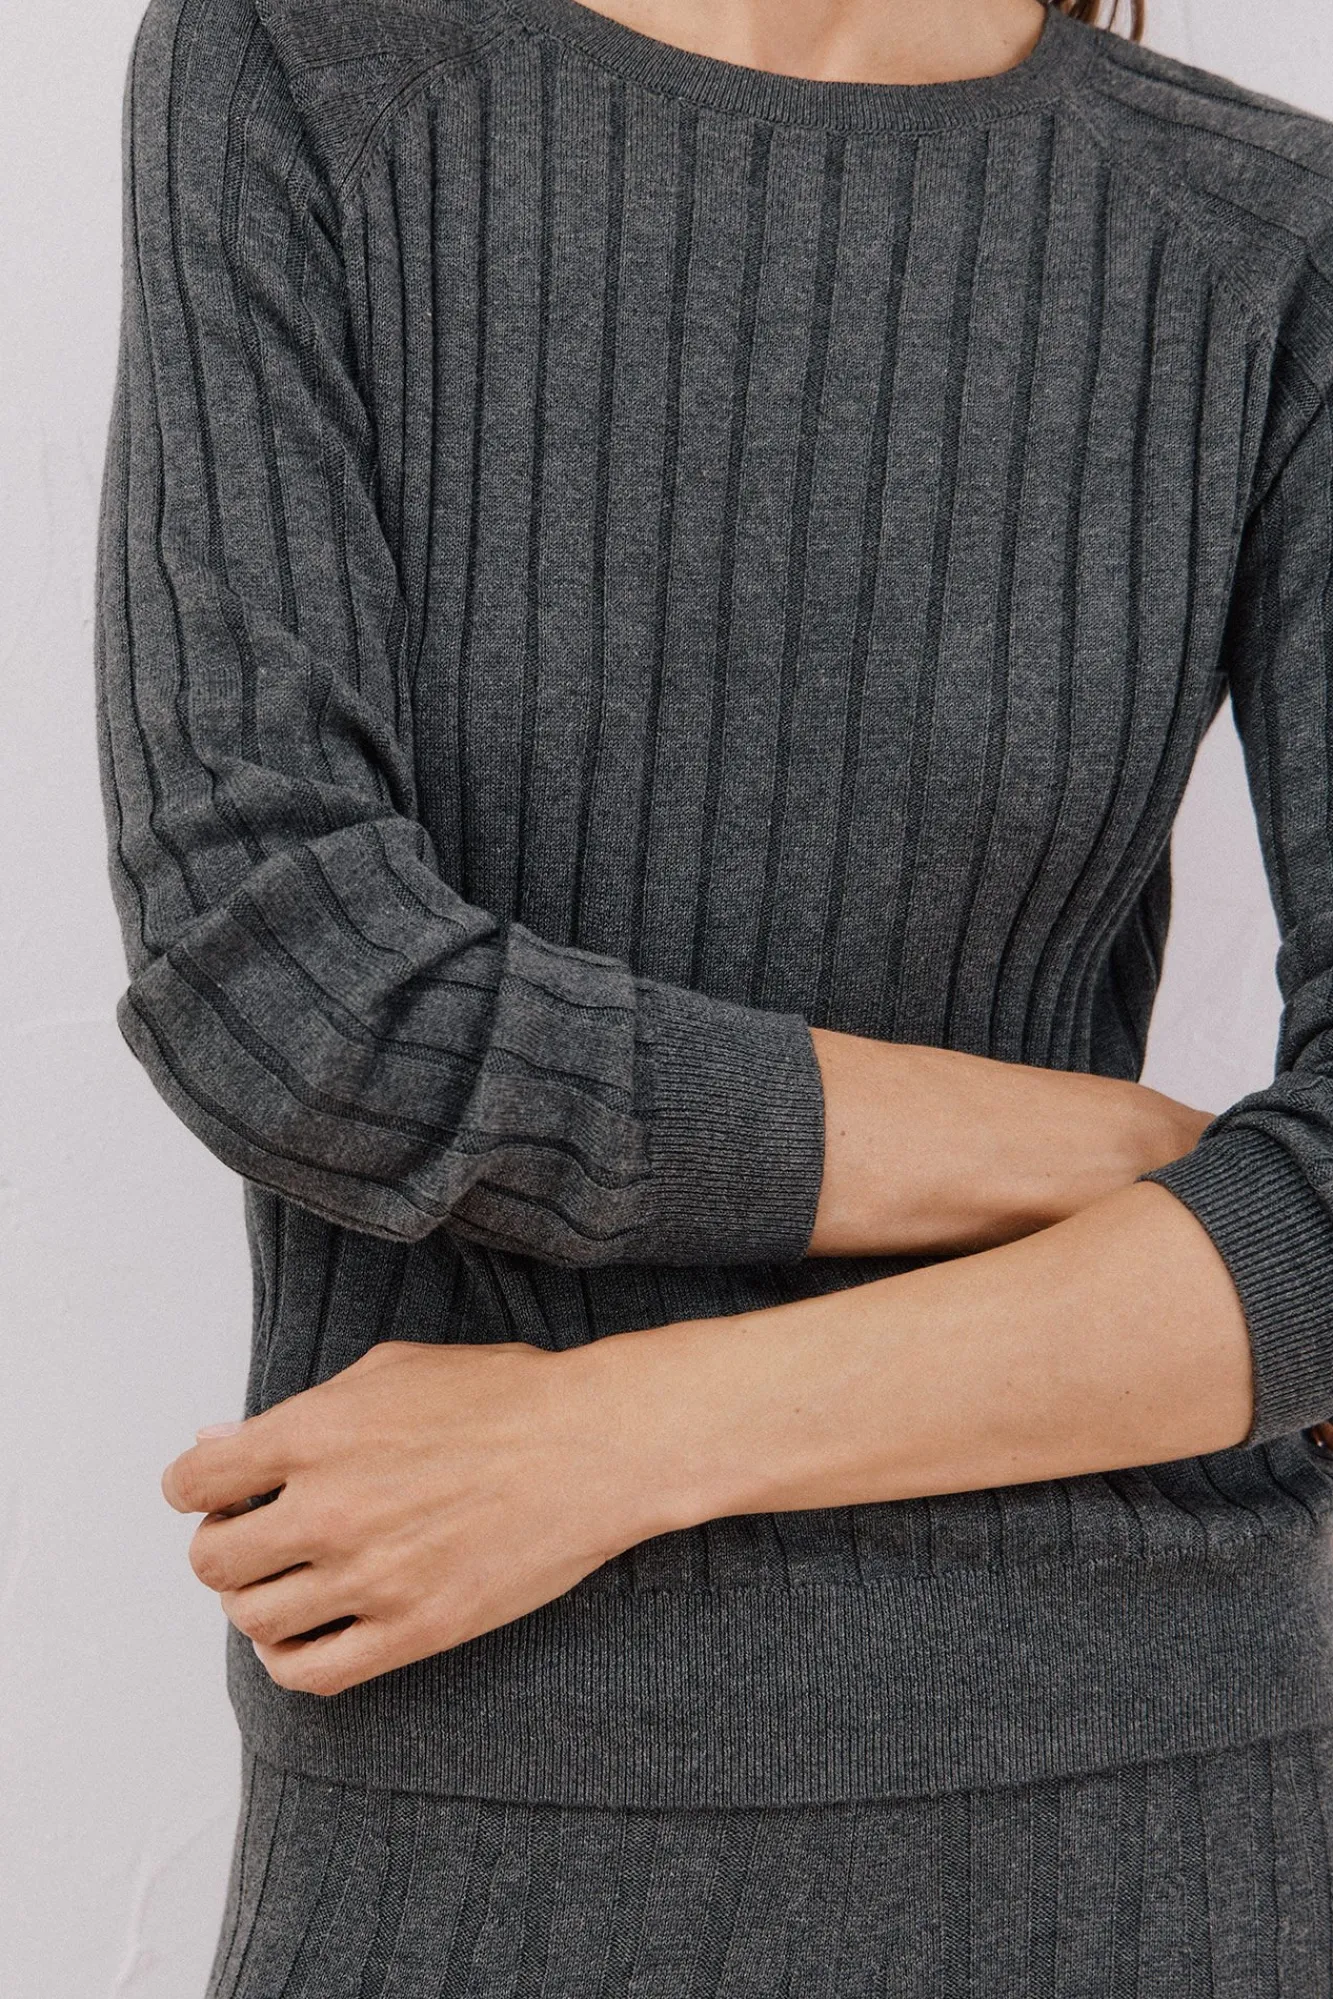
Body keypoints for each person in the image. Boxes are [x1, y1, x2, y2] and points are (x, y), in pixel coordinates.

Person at [95, 0, 1333, 1987]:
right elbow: (284, 979)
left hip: (1153, 1810)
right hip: (478, 1778)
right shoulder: (310, 75)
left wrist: (622, 1437)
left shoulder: (1263, 236)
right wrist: (1125, 1155)